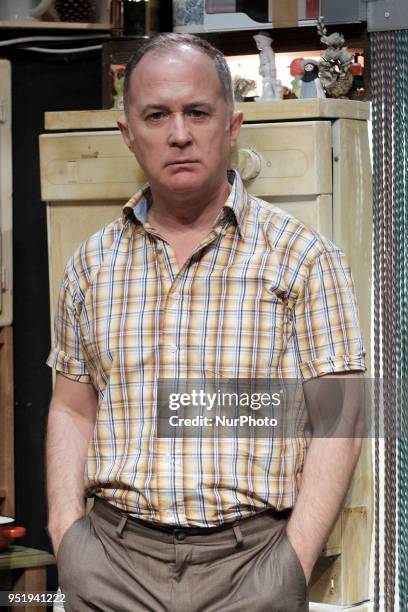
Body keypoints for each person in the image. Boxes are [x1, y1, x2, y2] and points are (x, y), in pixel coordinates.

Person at [46, 33, 366, 612]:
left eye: (197, 112)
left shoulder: (303, 258)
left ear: (232, 124)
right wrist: (67, 535)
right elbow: (71, 406)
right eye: (156, 115)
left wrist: (293, 560)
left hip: (252, 568)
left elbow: (341, 417)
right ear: (127, 133)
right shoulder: (91, 266)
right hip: (110, 566)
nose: (179, 133)